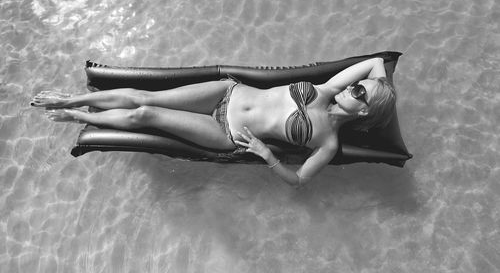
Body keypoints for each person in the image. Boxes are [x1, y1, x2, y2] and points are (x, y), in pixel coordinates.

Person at [31, 57, 395, 187]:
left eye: (360, 94)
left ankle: (78, 117)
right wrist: (381, 90)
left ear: (363, 112)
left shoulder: (328, 143)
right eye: (358, 86)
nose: (353, 88)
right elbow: (378, 61)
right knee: (147, 97)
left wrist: (267, 154)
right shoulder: (328, 88)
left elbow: (298, 181)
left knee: (145, 115)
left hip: (228, 133)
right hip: (226, 93)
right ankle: (71, 98)